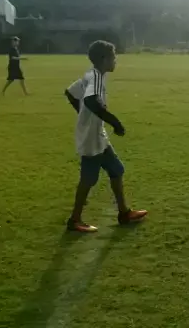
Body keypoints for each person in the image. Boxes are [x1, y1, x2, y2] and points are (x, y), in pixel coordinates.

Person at [65, 40, 147, 233]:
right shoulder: (96, 78)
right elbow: (92, 100)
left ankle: (124, 213)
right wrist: (115, 123)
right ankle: (74, 220)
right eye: (113, 57)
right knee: (88, 180)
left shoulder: (90, 74)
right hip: (91, 138)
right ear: (104, 59)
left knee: (117, 169)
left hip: (97, 135)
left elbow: (70, 93)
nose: (116, 60)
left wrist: (83, 115)